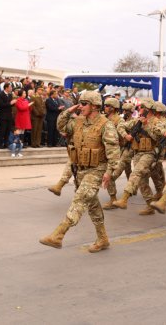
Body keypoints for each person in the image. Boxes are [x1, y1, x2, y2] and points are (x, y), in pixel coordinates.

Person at [39, 91, 120, 252]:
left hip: (97, 170)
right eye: (80, 103)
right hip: (80, 170)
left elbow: (114, 152)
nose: (80, 107)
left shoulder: (106, 125)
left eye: (84, 104)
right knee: (92, 205)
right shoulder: (78, 122)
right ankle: (103, 238)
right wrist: (69, 111)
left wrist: (109, 172)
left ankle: (58, 235)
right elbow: (60, 126)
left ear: (95, 106)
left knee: (80, 199)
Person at [111, 99, 162, 214]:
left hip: (149, 153)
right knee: (142, 181)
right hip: (137, 153)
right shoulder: (136, 121)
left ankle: (124, 199)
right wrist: (126, 135)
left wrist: (146, 125)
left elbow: (157, 138)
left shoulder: (157, 122)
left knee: (136, 173)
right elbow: (121, 126)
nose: (139, 110)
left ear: (148, 110)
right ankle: (150, 206)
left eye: (142, 108)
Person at [0, 82, 16, 149]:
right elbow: (0, 105)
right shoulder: (0, 95)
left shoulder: (10, 95)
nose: (11, 88)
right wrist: (10, 103)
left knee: (8, 130)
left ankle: (6, 143)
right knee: (2, 130)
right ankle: (0, 144)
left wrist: (14, 103)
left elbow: (10, 105)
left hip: (9, 115)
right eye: (10, 87)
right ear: (6, 88)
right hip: (3, 115)